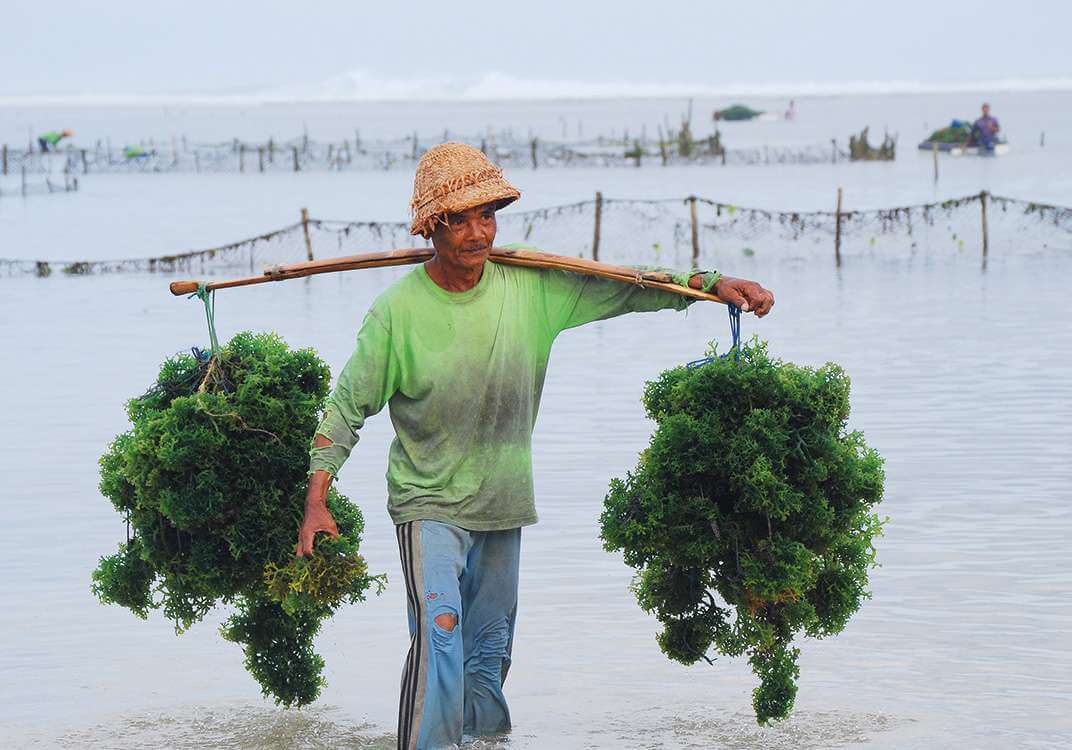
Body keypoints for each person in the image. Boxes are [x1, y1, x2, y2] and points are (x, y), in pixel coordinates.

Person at [295, 142, 775, 750]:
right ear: (431, 228)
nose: (478, 233)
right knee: (440, 633)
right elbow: (345, 409)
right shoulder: (396, 313)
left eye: (487, 216)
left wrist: (711, 285)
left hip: (503, 502)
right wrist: (317, 500)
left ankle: (485, 744)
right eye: (460, 220)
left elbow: (629, 288)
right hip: (428, 505)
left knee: (488, 654)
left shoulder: (534, 288)